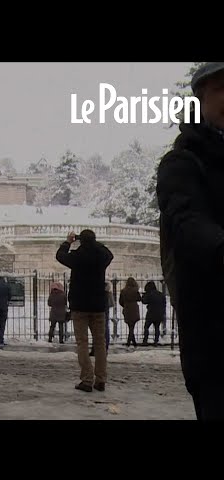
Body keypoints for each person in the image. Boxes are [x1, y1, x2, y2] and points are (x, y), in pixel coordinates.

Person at [156, 62, 224, 419]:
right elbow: (189, 225)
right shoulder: (182, 163)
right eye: (221, 88)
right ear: (200, 99)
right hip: (214, 340)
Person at [56, 230, 113, 392]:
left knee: (82, 343)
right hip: (97, 306)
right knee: (100, 343)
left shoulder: (77, 257)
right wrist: (95, 243)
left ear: (81, 240)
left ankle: (87, 380)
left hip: (80, 305)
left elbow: (60, 255)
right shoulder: (101, 257)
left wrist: (68, 242)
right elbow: (109, 253)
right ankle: (101, 379)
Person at [141, 281, 165, 346]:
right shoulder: (161, 294)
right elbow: (164, 303)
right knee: (157, 327)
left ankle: (145, 340)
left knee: (146, 327)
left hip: (151, 313)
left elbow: (144, 301)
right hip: (159, 313)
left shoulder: (149, 294)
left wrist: (143, 296)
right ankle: (156, 341)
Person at [119, 277, 141, 348]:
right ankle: (131, 342)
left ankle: (131, 342)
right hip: (134, 308)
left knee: (130, 326)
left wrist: (125, 305)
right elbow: (139, 299)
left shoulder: (123, 291)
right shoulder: (135, 290)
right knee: (132, 326)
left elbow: (120, 301)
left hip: (127, 308)